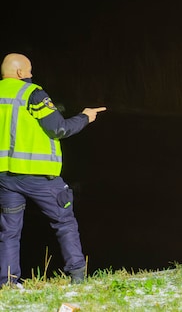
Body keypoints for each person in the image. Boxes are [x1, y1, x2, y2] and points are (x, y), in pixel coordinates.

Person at [0, 53, 105, 286]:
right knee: (64, 222)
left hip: (5, 176)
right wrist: (85, 117)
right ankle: (78, 277)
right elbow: (59, 129)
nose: (31, 74)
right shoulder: (32, 93)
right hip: (39, 175)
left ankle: (7, 283)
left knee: (9, 232)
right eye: (29, 69)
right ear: (20, 72)